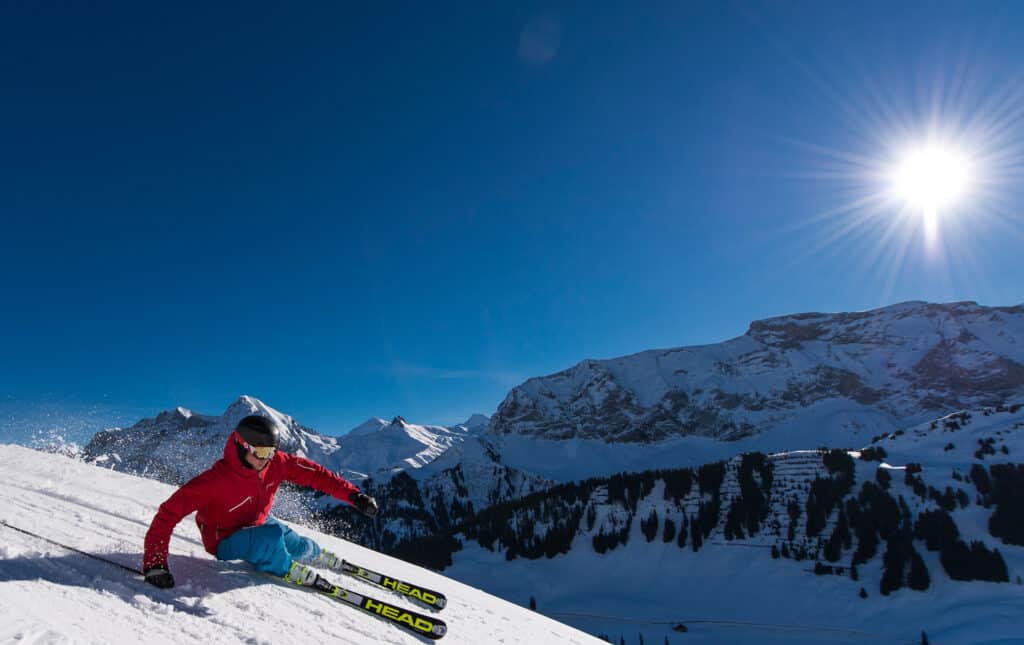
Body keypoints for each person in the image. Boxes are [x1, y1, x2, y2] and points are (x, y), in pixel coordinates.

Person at [142, 415, 378, 589]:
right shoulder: (214, 481)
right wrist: (156, 563)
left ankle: (317, 555)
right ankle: (288, 569)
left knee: (295, 542)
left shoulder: (275, 463)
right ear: (243, 447)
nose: (268, 460)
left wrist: (354, 496)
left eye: (272, 452)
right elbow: (168, 514)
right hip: (224, 540)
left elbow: (316, 474)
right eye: (262, 453)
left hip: (257, 521)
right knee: (271, 539)